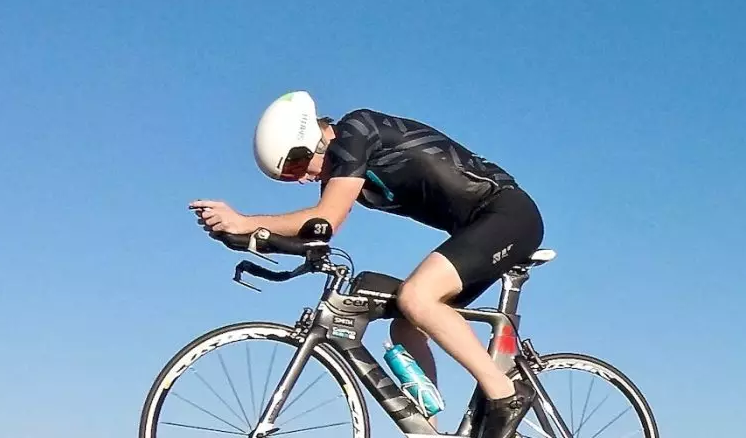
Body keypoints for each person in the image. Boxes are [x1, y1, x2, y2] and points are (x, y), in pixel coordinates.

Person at [190, 90, 543, 438]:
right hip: (478, 229)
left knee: (417, 297)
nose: (300, 179)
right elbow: (316, 233)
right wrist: (251, 239)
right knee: (405, 324)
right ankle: (427, 432)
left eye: (296, 165)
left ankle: (504, 395)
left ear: (313, 140)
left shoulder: (356, 131)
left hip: (507, 214)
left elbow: (326, 218)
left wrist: (245, 221)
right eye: (287, 177)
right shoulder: (348, 168)